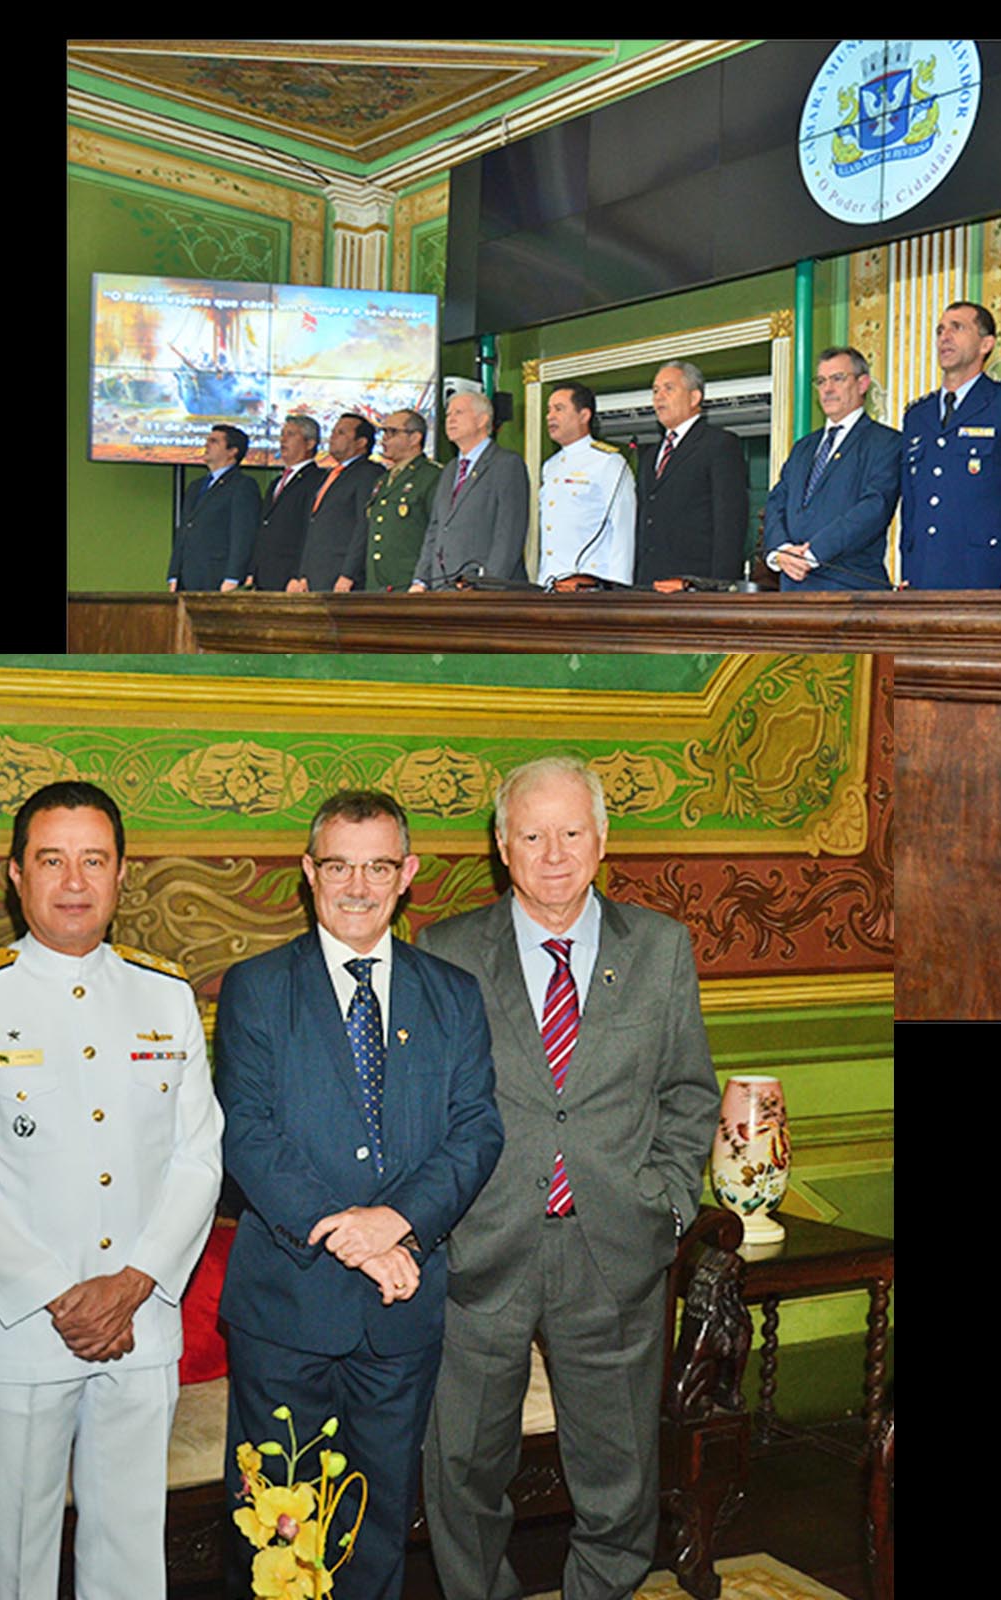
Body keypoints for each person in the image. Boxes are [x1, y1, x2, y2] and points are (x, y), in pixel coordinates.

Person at [417, 757, 720, 1600]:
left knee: (619, 1478)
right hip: (482, 1251)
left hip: (613, 1249)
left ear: (602, 840)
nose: (553, 854)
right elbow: (424, 1108)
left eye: (571, 832)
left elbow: (689, 1094)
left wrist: (666, 1205)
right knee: (463, 1471)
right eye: (532, 835)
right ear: (501, 845)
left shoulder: (659, 948)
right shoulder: (446, 952)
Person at [0, 781, 222, 1600]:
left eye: (94, 860)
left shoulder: (166, 995)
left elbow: (198, 1157)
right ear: (16, 875)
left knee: (131, 1557)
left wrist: (133, 1283)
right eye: (52, 860)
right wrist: (61, 1297)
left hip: (141, 1324)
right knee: (17, 1562)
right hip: (23, 1330)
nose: (75, 882)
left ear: (123, 874)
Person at [216, 790, 505, 1600]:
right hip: (286, 1311)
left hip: (400, 1314)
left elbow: (477, 1130)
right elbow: (247, 1133)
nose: (357, 886)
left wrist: (396, 1224)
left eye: (378, 867)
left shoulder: (452, 993)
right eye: (338, 866)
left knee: (375, 1529)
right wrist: (349, 1234)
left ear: (407, 875)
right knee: (277, 1531)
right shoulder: (257, 988)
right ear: (308, 872)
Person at [898, 301, 1001, 590]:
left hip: (987, 575)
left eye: (957, 328)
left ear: (985, 344)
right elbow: (911, 505)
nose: (945, 337)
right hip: (924, 575)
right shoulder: (917, 415)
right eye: (940, 330)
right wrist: (908, 569)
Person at [761, 346, 900, 590]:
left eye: (838, 378)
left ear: (862, 384)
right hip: (792, 589)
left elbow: (874, 508)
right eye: (821, 381)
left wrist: (812, 554)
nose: (827, 389)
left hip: (849, 589)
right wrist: (782, 551)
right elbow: (776, 502)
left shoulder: (886, 442)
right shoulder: (803, 447)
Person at [635, 360, 748, 588]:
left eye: (668, 388)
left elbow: (730, 524)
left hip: (693, 586)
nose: (658, 397)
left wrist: (718, 588)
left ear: (694, 397)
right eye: (655, 391)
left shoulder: (719, 444)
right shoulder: (650, 456)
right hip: (648, 587)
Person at [409, 390, 529, 589]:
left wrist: (487, 585)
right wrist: (421, 580)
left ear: (482, 420)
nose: (450, 419)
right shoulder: (450, 469)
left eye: (459, 412)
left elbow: (509, 534)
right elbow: (436, 529)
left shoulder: (506, 464)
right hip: (444, 588)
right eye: (448, 414)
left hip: (485, 591)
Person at [536, 381, 637, 586]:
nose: (550, 416)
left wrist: (619, 589)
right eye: (549, 410)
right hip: (551, 582)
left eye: (559, 409)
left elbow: (623, 530)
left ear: (584, 416)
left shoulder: (608, 462)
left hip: (590, 584)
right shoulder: (550, 466)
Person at [296, 413, 389, 592]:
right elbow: (315, 525)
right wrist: (303, 573)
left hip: (341, 577)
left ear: (361, 442)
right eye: (333, 431)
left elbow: (364, 525)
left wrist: (349, 574)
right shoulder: (330, 474)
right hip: (316, 575)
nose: (332, 437)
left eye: (341, 433)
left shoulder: (368, 473)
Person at [169, 424, 262, 592]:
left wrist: (233, 576)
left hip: (217, 577)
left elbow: (243, 534)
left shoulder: (242, 485)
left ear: (232, 451)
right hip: (187, 578)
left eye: (214, 441)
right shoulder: (196, 486)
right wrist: (174, 574)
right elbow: (184, 531)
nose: (206, 445)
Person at [363, 409, 443, 591]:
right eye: (383, 432)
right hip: (377, 586)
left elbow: (437, 531)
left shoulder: (431, 476)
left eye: (392, 432)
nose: (384, 439)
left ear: (414, 438)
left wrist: (423, 579)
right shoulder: (384, 480)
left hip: (409, 583)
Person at [246, 413, 323, 591]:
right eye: (282, 434)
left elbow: (309, 532)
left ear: (310, 443)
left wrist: (299, 574)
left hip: (290, 577)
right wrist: (252, 571)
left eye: (291, 434)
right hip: (263, 576)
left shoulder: (316, 480)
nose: (283, 440)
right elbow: (264, 529)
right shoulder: (276, 482)